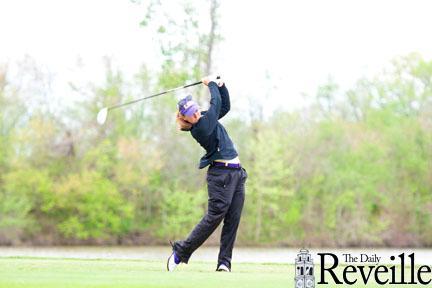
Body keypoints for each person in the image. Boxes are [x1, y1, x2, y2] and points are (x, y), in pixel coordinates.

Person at [167, 75, 248, 272]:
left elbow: (224, 106)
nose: (195, 115)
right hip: (221, 176)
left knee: (233, 219)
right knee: (214, 217)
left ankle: (224, 263)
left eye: (195, 110)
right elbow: (216, 102)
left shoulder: (204, 117)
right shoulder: (200, 128)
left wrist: (221, 85)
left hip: (236, 173)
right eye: (190, 114)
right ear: (184, 118)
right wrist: (210, 83)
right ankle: (181, 253)